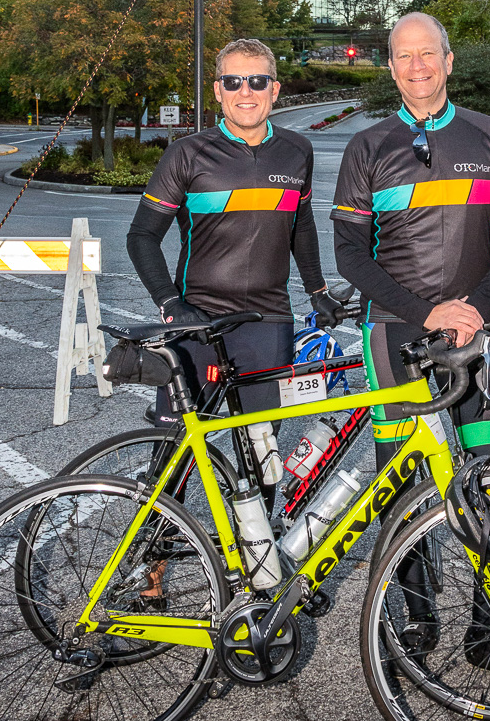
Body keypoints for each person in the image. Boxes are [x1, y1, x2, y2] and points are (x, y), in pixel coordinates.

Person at [331, 11, 490, 681]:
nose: (417, 66)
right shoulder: (367, 146)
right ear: (391, 68)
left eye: (428, 54)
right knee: (400, 483)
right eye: (404, 56)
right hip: (394, 333)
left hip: (473, 333)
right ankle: (413, 625)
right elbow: (349, 254)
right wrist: (427, 313)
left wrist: (474, 307)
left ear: (448, 61)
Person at [127, 36, 340, 444]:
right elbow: (141, 236)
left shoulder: (297, 150)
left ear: (274, 90)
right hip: (197, 321)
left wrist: (318, 292)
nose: (246, 91)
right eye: (233, 81)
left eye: (258, 81)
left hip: (268, 322)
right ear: (217, 90)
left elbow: (302, 225)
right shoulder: (187, 154)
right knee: (174, 450)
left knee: (262, 450)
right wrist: (170, 304)